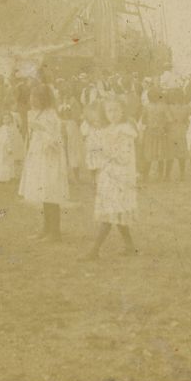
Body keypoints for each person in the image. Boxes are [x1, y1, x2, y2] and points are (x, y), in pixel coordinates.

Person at [79, 98, 138, 260]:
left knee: (110, 212)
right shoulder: (107, 129)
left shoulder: (125, 130)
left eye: (116, 110)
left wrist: (105, 152)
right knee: (116, 211)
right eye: (109, 111)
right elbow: (98, 150)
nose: (113, 114)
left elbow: (124, 156)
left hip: (121, 176)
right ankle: (130, 246)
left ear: (123, 111)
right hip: (108, 174)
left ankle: (94, 250)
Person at [19, 84, 70, 242]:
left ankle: (55, 232)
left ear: (44, 99)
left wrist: (42, 131)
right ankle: (46, 228)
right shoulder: (36, 113)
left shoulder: (51, 115)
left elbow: (56, 140)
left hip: (50, 159)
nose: (32, 100)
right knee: (44, 194)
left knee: (51, 194)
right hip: (39, 157)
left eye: (36, 97)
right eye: (31, 97)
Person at [139, 86, 171, 181]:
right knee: (160, 154)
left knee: (148, 154)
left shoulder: (146, 107)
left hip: (149, 132)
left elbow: (144, 120)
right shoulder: (164, 106)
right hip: (161, 132)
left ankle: (145, 175)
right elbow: (169, 119)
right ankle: (160, 175)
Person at [0, 112, 24, 183]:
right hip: (0, 147)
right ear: (2, 120)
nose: (6, 120)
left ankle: (7, 177)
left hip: (8, 147)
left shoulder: (12, 129)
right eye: (4, 119)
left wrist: (10, 148)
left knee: (7, 162)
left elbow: (11, 139)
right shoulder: (1, 128)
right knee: (0, 161)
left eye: (8, 119)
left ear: (11, 120)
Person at [165, 88, 189, 180]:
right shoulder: (186, 107)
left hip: (172, 131)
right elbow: (187, 120)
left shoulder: (169, 107)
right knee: (181, 154)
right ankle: (182, 174)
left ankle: (167, 175)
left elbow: (168, 120)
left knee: (170, 154)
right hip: (181, 131)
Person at [80, 101, 107, 185]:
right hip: (92, 144)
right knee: (92, 162)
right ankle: (93, 179)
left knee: (100, 161)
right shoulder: (87, 125)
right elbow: (84, 134)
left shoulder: (103, 125)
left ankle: (100, 178)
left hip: (100, 144)